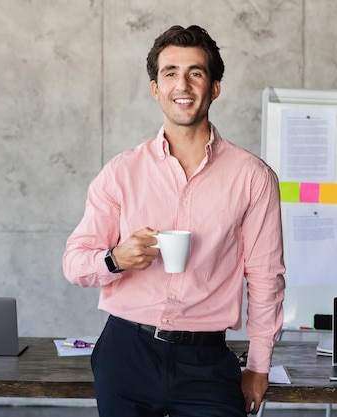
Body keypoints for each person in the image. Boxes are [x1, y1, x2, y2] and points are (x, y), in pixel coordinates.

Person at [63, 24, 285, 417]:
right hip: (126, 352)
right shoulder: (121, 172)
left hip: (207, 360)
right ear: (156, 88)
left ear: (214, 87)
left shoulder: (253, 176)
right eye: (170, 73)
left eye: (195, 72)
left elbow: (266, 277)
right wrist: (115, 258)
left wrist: (258, 364)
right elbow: (75, 263)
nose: (182, 84)